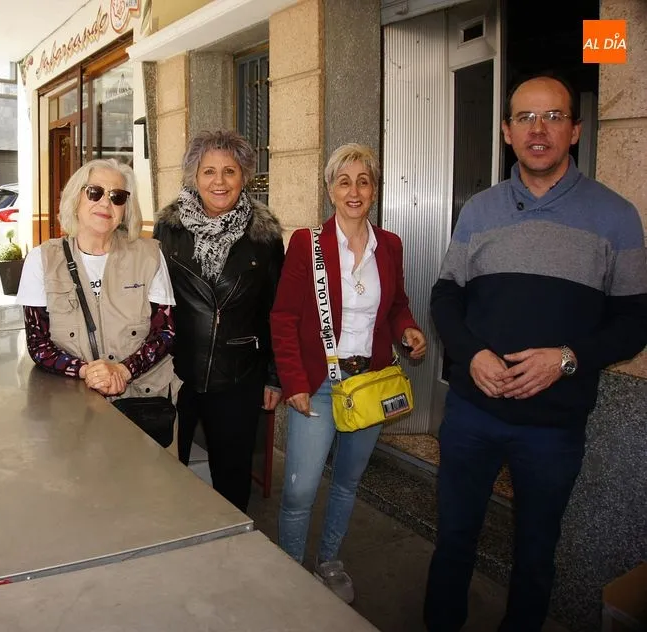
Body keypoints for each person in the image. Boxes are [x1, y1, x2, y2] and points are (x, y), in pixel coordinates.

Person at [425, 73, 647, 632]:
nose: (538, 130)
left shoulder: (616, 216)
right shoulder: (480, 210)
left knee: (535, 554)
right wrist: (471, 354)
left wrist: (565, 359)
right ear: (507, 131)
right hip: (473, 414)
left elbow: (635, 322)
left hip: (553, 427)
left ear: (576, 130)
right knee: (453, 537)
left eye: (553, 117)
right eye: (525, 117)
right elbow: (446, 295)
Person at [270, 143, 426, 602]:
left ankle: (329, 562)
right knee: (300, 489)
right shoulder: (307, 244)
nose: (354, 191)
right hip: (318, 385)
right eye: (344, 182)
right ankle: (291, 573)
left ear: (374, 189)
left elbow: (396, 305)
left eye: (363, 181)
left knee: (347, 482)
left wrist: (408, 329)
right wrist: (294, 382)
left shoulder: (390, 245)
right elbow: (283, 318)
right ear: (330, 190)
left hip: (368, 384)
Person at [153, 129, 284, 512]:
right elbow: (153, 302)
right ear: (194, 176)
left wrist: (274, 376)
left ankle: (230, 541)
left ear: (244, 176)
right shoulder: (168, 229)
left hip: (238, 376)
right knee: (165, 472)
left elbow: (276, 309)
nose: (219, 181)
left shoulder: (265, 236)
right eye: (209, 171)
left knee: (232, 479)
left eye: (230, 171)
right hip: (175, 371)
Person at [17, 158, 175, 404]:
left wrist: (123, 371)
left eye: (117, 197)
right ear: (75, 199)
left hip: (142, 400)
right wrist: (86, 371)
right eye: (95, 192)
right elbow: (38, 343)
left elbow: (165, 332)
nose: (105, 203)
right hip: (75, 403)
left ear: (126, 208)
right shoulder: (42, 260)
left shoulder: (150, 256)